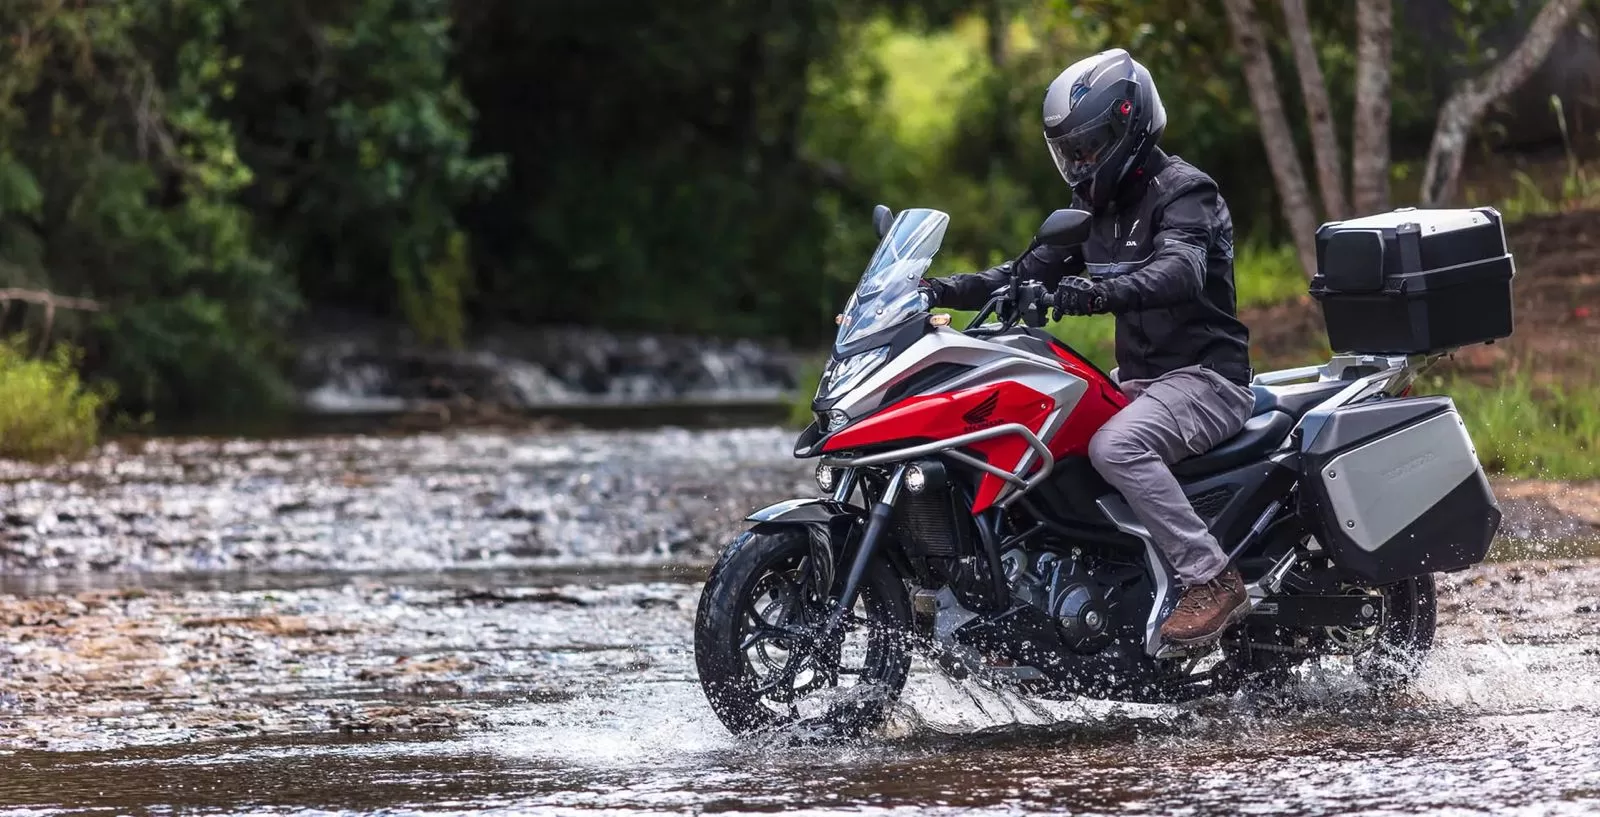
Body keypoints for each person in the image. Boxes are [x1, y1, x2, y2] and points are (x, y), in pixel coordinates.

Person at [921, 48, 1255, 647]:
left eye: (1091, 145)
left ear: (1130, 124)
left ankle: (1212, 577)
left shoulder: (1184, 192)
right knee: (1044, 441)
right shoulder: (1091, 208)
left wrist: (1094, 293)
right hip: (1142, 383)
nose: (1080, 162)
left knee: (1116, 446)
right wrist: (931, 290)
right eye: (1070, 150)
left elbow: (1179, 271)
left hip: (1208, 379)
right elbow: (1020, 274)